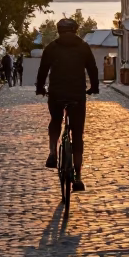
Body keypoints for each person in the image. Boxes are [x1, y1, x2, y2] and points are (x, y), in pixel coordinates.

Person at [36, 17, 99, 191]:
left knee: (55, 120)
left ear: (59, 31)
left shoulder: (52, 47)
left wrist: (40, 88)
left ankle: (52, 152)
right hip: (77, 94)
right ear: (75, 30)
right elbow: (92, 69)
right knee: (77, 135)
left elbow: (43, 70)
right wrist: (94, 87)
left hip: (56, 92)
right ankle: (78, 177)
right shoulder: (83, 47)